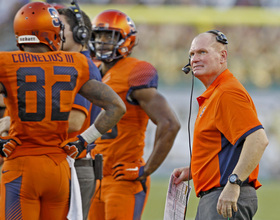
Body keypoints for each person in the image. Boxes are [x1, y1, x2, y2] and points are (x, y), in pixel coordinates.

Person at [0, 2, 125, 220]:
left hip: (20, 164)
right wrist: (84, 140)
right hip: (59, 169)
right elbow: (117, 107)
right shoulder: (76, 62)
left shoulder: (5, 62)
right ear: (54, 32)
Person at [87, 9, 181, 220]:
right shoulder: (91, 70)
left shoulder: (135, 71)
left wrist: (146, 169)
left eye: (109, 37)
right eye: (98, 36)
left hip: (122, 177)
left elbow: (170, 123)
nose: (102, 42)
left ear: (126, 40)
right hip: (92, 177)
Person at [172, 30, 269, 219]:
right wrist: (194, 170)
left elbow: (258, 139)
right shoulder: (216, 94)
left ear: (222, 56)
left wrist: (233, 183)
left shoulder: (226, 93)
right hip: (216, 194)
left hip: (225, 193)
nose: (194, 59)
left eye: (202, 52)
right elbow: (223, 148)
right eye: (191, 54)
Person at [58, 6, 102, 220]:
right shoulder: (67, 62)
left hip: (75, 163)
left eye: (60, 26)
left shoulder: (79, 64)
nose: (54, 31)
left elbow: (75, 122)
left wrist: (27, 124)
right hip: (67, 162)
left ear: (80, 33)